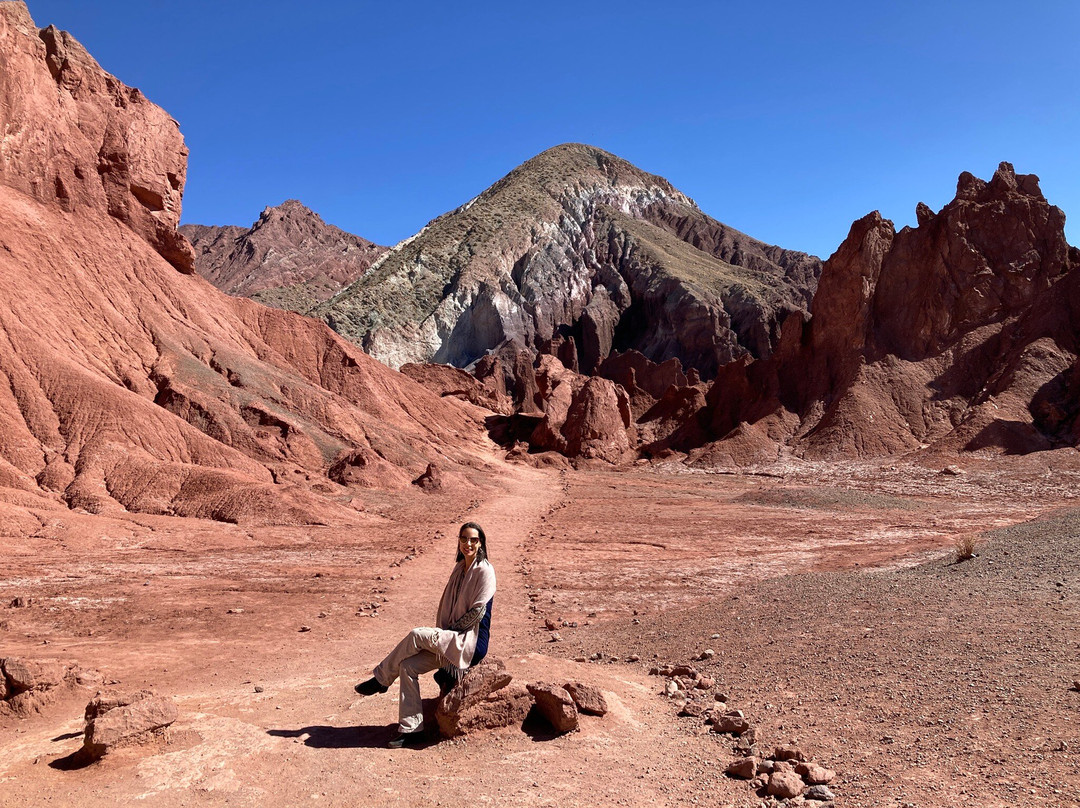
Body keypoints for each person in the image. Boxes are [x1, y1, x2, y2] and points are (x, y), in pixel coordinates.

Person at [354, 521, 496, 748]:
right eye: (463, 539)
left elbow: (477, 613)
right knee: (407, 667)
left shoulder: (485, 570)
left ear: (481, 543)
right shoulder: (459, 569)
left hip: (469, 641)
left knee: (416, 634)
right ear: (459, 541)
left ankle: (381, 679)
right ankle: (412, 730)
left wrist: (447, 633)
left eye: (473, 539)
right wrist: (445, 636)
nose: (468, 543)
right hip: (451, 641)